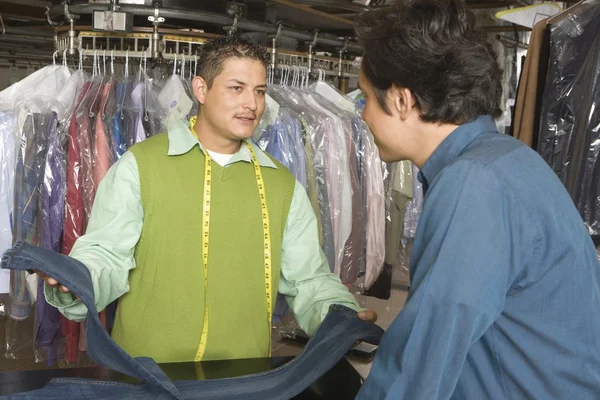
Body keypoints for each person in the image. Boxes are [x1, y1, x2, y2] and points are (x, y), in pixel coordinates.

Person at [38, 35, 376, 363]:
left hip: (244, 373)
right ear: (201, 89)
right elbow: (106, 254)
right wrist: (78, 280)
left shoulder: (281, 184)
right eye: (236, 88)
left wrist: (339, 313)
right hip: (146, 372)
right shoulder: (140, 167)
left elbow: (309, 278)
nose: (252, 104)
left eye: (259, 91)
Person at [353, 0, 600, 399]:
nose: (362, 116)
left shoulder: (475, 183)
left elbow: (419, 360)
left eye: (365, 97)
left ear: (402, 99)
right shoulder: (507, 160)